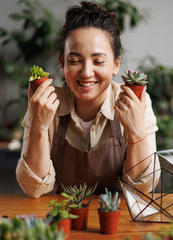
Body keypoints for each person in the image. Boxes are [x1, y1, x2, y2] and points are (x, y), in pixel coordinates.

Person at [16, 1, 159, 198]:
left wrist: (136, 133)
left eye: (98, 61)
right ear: (62, 63)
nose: (86, 73)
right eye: (74, 61)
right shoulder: (45, 103)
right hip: (62, 216)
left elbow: (141, 188)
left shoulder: (135, 102)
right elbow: (34, 188)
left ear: (116, 64)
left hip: (118, 221)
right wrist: (39, 128)